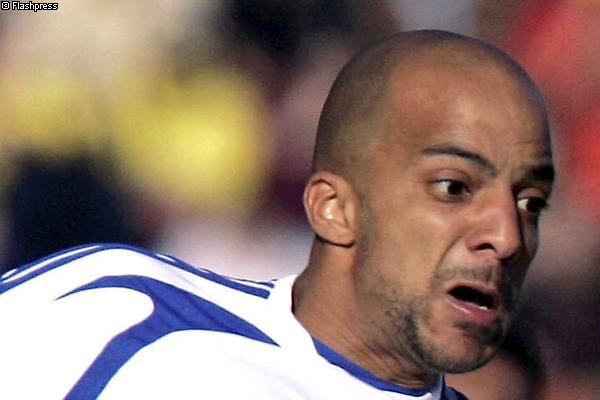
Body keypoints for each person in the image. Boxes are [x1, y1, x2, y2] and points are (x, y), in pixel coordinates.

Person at [0, 30, 554, 399]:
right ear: (334, 208)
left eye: (530, 203)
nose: (508, 236)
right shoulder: (118, 310)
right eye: (454, 187)